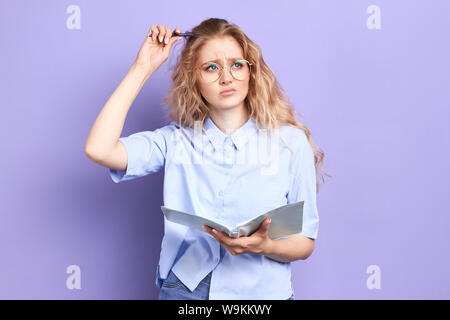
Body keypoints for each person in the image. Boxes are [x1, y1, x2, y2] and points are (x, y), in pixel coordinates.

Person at [84, 18, 329, 300]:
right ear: (195, 80)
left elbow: (304, 242)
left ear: (251, 71)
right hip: (186, 291)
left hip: (262, 295)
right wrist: (143, 68)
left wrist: (262, 246)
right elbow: (99, 149)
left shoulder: (290, 142)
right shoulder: (174, 141)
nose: (226, 77)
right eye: (211, 67)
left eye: (237, 65)